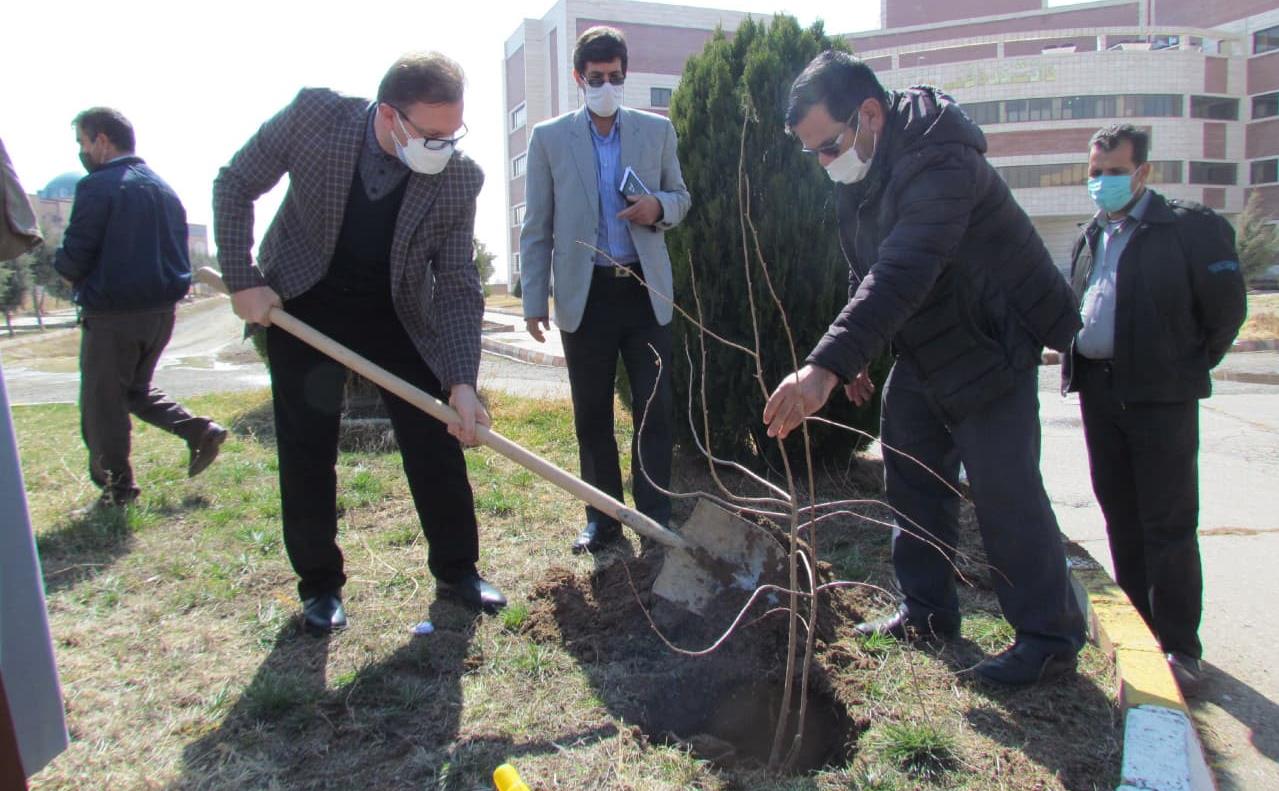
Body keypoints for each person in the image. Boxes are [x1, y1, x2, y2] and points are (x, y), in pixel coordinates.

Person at [764, 51, 1086, 686]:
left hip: (988, 343)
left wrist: (825, 368)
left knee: (1005, 493)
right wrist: (857, 359)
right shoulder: (862, 175)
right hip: (923, 348)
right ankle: (927, 612)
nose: (826, 164)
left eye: (829, 146)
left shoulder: (942, 158)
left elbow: (906, 266)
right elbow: (866, 270)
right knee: (909, 479)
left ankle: (1048, 638)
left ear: (870, 114)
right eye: (814, 156)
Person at [212, 52, 504, 634]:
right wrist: (243, 279)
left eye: (454, 134)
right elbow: (235, 182)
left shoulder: (458, 178)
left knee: (434, 434)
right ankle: (320, 585)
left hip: (393, 312)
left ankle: (457, 569)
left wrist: (461, 382)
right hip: (305, 301)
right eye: (432, 135)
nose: (444, 147)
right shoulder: (314, 118)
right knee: (307, 445)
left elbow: (456, 284)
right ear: (390, 115)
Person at [1063, 124, 1246, 689]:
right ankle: (1142, 631)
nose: (1102, 182)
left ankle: (1180, 649)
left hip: (1161, 399)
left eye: (1114, 172)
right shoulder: (1091, 235)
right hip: (1100, 394)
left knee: (1167, 523)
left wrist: (1181, 366)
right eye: (1095, 173)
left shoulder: (1189, 230)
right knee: (1120, 515)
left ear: (1143, 172)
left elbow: (1225, 312)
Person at [520, 26, 691, 554]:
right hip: (585, 294)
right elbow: (537, 226)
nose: (607, 86)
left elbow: (681, 196)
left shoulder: (654, 132)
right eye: (597, 79)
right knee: (591, 412)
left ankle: (655, 512)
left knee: (654, 407)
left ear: (626, 74)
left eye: (616, 77)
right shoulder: (549, 138)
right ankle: (602, 519)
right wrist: (532, 300)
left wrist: (658, 207)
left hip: (642, 291)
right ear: (579, 78)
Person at [53, 108, 227, 510]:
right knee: (134, 390)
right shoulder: (163, 189)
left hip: (114, 316)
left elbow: (76, 254)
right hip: (161, 315)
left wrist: (65, 270)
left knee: (102, 404)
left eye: (82, 142)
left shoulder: (99, 186)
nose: (82, 151)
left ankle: (117, 489)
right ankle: (200, 431)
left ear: (101, 140)